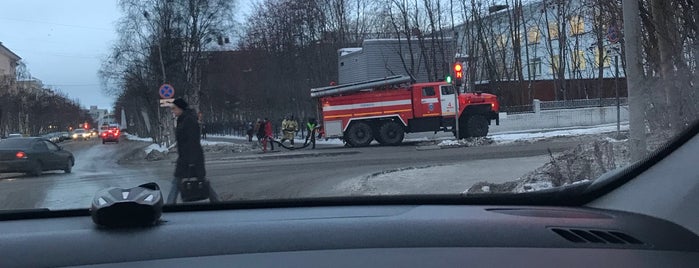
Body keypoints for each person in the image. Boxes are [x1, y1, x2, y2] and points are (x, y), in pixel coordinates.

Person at [170, 98, 213, 202]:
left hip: (190, 158)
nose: (173, 111)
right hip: (187, 158)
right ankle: (217, 202)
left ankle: (169, 205)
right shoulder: (184, 119)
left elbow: (193, 142)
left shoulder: (189, 120)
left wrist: (191, 161)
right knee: (201, 181)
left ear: (181, 108)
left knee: (180, 181)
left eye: (174, 108)